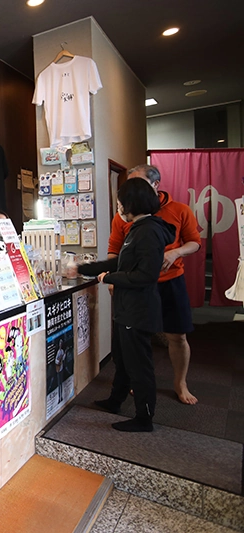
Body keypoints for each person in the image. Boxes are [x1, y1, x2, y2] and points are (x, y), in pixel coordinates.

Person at [78, 179, 175, 432]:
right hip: (127, 308)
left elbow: (145, 275)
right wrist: (86, 269)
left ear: (131, 204)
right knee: (122, 359)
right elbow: (122, 262)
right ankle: (115, 400)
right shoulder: (137, 228)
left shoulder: (149, 231)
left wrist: (108, 278)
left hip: (138, 310)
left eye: (120, 203)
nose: (119, 208)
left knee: (139, 365)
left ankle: (144, 418)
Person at [107, 164, 201, 405]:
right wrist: (113, 277)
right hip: (136, 285)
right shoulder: (123, 215)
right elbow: (114, 249)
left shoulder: (179, 210)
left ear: (155, 184)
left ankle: (180, 383)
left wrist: (175, 252)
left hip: (170, 282)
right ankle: (139, 382)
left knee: (177, 336)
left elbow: (194, 242)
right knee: (137, 339)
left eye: (138, 182)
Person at [55, 337, 66, 402]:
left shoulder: (62, 351)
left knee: (61, 384)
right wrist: (59, 360)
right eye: (60, 343)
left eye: (61, 343)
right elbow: (56, 361)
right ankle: (59, 398)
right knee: (59, 384)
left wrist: (63, 357)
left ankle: (61, 397)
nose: (60, 345)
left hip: (61, 368)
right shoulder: (58, 352)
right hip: (58, 369)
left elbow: (63, 358)